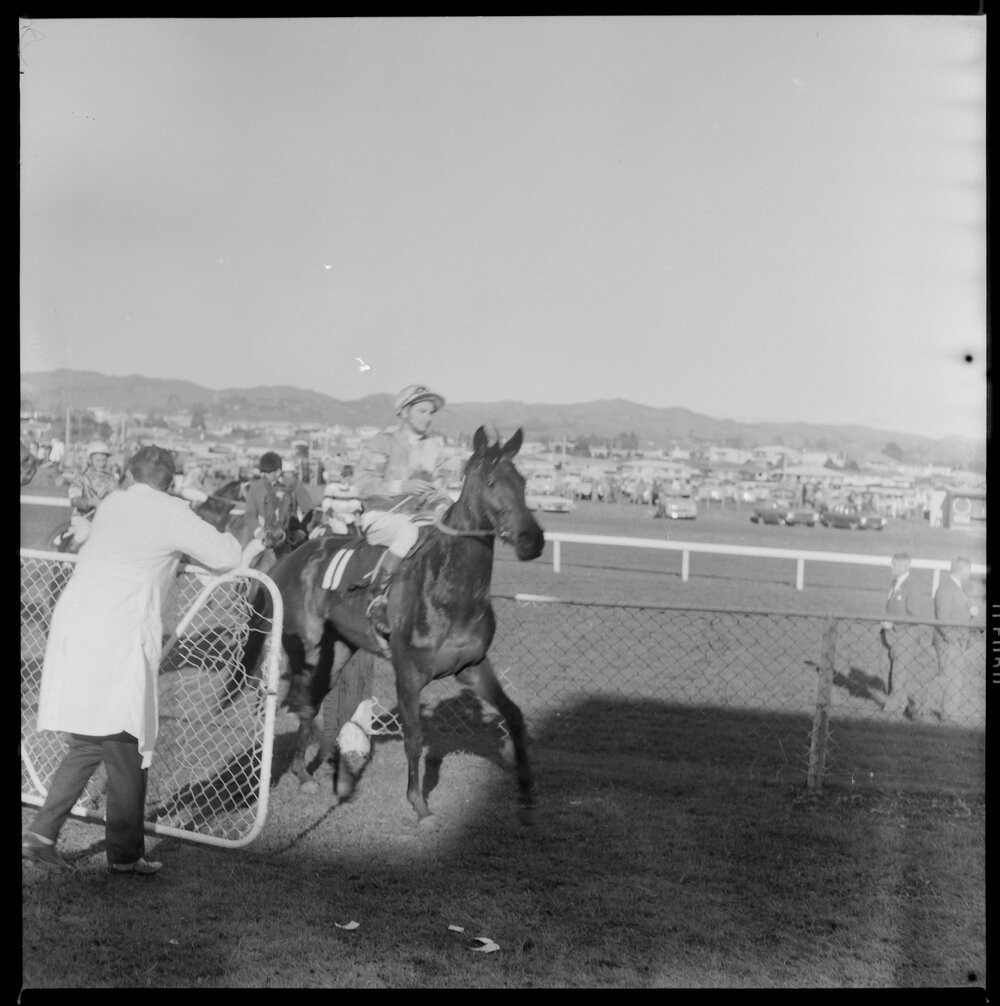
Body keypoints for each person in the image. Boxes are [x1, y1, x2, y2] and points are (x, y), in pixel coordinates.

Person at [22, 446, 242, 874]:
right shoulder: (172, 512)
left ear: (129, 474)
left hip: (76, 620)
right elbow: (226, 556)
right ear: (172, 480)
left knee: (89, 739)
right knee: (125, 738)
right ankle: (123, 855)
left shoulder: (113, 503)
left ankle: (42, 836)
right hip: (117, 629)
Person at [355, 384, 450, 636]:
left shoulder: (434, 447)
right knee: (411, 533)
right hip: (381, 517)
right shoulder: (383, 441)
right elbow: (363, 486)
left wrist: (441, 504)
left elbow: (441, 487)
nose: (427, 417)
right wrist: (403, 486)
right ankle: (377, 595)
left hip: (419, 518)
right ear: (405, 412)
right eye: (422, 411)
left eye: (430, 412)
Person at [931, 556, 981, 722]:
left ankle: (948, 713)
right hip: (948, 642)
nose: (969, 573)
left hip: (958, 641)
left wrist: (972, 611)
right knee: (945, 677)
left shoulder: (961, 588)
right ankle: (920, 706)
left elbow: (962, 610)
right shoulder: (946, 588)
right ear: (963, 569)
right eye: (968, 569)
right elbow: (942, 617)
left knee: (954, 678)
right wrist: (951, 638)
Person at [879, 553, 922, 718]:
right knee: (885, 670)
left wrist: (894, 624)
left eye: (894, 564)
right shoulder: (894, 583)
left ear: (905, 566)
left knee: (898, 674)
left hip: (905, 637)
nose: (891, 567)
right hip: (888, 635)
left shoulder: (914, 586)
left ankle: (890, 712)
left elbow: (915, 615)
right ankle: (908, 703)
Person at [66, 440, 120, 547]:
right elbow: (74, 500)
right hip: (82, 517)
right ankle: (67, 557)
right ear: (90, 460)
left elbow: (116, 497)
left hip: (102, 518)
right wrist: (93, 502)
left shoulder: (110, 479)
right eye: (98, 460)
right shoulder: (80, 478)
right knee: (85, 531)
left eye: (104, 461)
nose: (101, 464)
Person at [234, 451, 283, 565]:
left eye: (268, 472)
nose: (264, 475)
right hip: (262, 535)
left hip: (282, 536)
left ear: (278, 472)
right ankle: (240, 580)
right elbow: (250, 515)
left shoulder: (286, 489)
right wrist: (259, 531)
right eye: (262, 472)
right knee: (245, 558)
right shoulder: (255, 487)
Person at [276, 458, 316, 545]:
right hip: (289, 527)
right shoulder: (296, 486)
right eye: (291, 473)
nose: (293, 476)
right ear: (284, 474)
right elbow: (308, 508)